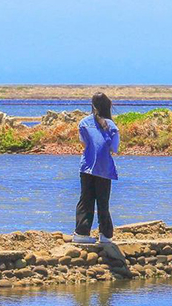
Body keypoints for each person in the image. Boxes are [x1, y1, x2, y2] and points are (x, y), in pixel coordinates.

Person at [73, 92, 120, 244]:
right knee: (103, 201)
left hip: (87, 167)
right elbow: (114, 149)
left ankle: (81, 233)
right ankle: (105, 235)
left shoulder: (83, 123)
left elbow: (83, 143)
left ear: (92, 106)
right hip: (104, 168)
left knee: (85, 199)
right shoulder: (112, 126)